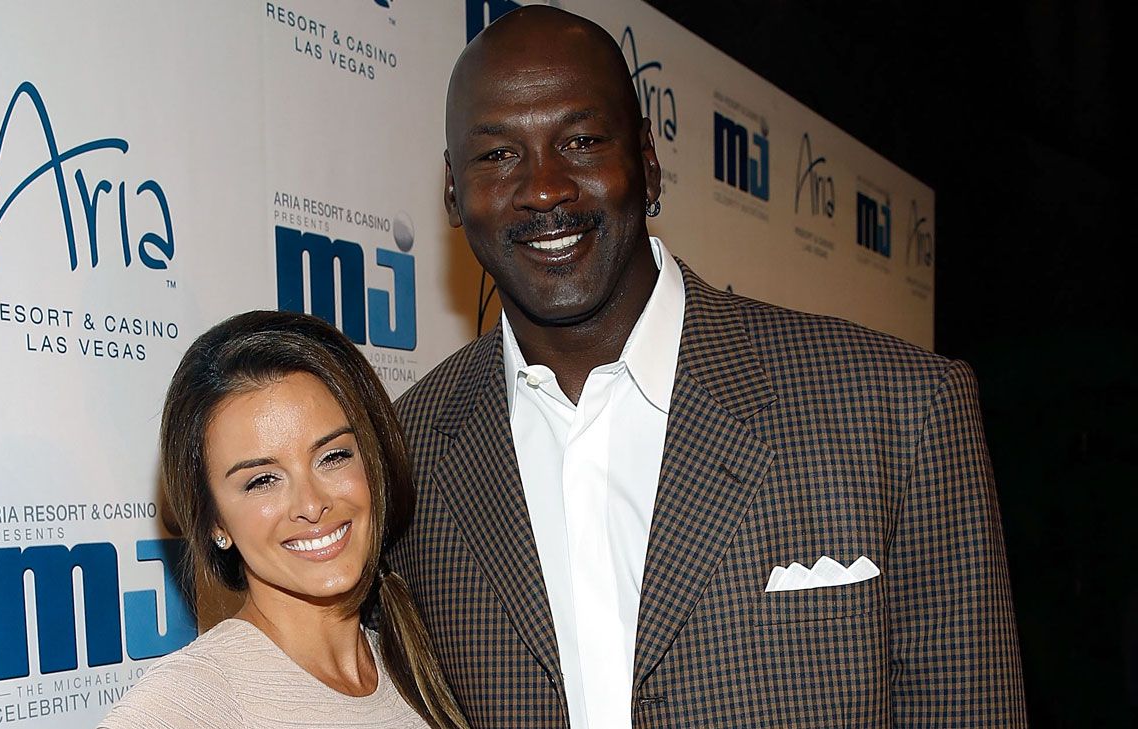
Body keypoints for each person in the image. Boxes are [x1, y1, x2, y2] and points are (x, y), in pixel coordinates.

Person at [387, 6, 1026, 728]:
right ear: (451, 192)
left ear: (648, 164)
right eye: (499, 154)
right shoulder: (405, 457)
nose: (544, 188)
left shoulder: (899, 408)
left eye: (583, 140)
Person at [99, 311, 467, 729]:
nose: (310, 505)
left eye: (333, 456)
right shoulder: (191, 703)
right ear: (215, 522)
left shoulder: (421, 668)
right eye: (262, 481)